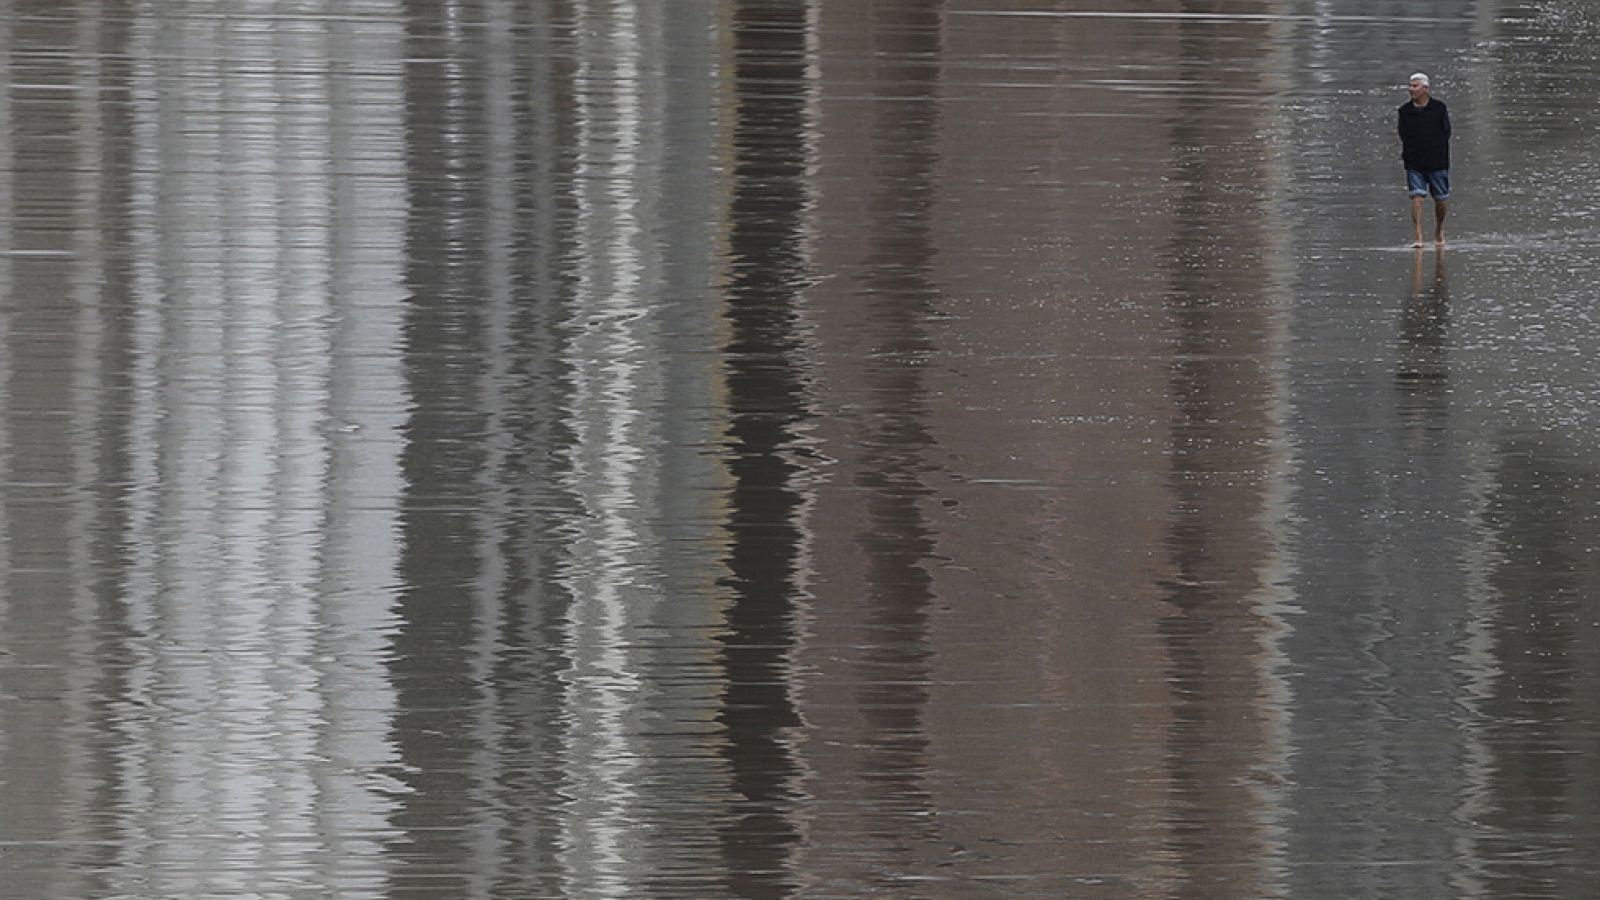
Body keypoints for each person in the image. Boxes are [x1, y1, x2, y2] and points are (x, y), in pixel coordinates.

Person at [1397, 72, 1451, 246]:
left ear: (1425, 88)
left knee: (1440, 199)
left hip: (1437, 161)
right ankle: (1418, 235)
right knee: (1417, 197)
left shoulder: (1439, 108)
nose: (1411, 89)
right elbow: (1403, 134)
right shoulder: (1404, 111)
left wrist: (1438, 150)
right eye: (1410, 86)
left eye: (1415, 86)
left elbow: (1446, 132)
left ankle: (1439, 229)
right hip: (1414, 161)